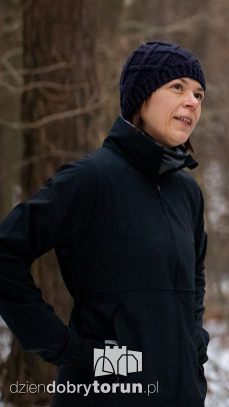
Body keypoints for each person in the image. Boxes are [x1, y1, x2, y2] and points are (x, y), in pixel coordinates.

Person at [0, 41, 210, 406]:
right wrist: (64, 346)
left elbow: (194, 281)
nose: (192, 101)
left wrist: (194, 347)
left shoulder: (186, 192)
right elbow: (5, 254)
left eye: (198, 93)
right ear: (141, 99)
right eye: (177, 87)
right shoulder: (91, 179)